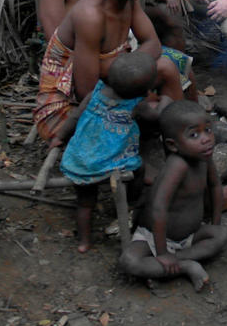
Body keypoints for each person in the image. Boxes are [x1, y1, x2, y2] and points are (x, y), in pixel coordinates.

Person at [34, 0, 184, 154]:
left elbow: (152, 43)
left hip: (110, 83)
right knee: (152, 103)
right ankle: (152, 155)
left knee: (168, 67)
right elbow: (86, 92)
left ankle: (178, 142)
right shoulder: (90, 15)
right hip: (69, 111)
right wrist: (128, 72)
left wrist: (125, 69)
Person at [60, 51, 167, 252]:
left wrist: (59, 137)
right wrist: (166, 102)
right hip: (108, 163)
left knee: (84, 203)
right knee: (139, 168)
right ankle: (133, 199)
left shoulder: (95, 93)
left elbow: (75, 117)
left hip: (80, 161)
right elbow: (156, 117)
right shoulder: (137, 106)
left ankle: (84, 242)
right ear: (145, 91)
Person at [119, 100, 227, 291]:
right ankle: (184, 266)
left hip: (189, 236)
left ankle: (168, 265)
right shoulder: (177, 166)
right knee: (128, 261)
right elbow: (159, 207)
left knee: (223, 235)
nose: (206, 139)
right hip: (154, 238)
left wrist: (215, 223)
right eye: (194, 134)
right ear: (173, 145)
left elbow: (215, 187)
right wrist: (162, 252)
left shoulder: (204, 158)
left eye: (208, 130)